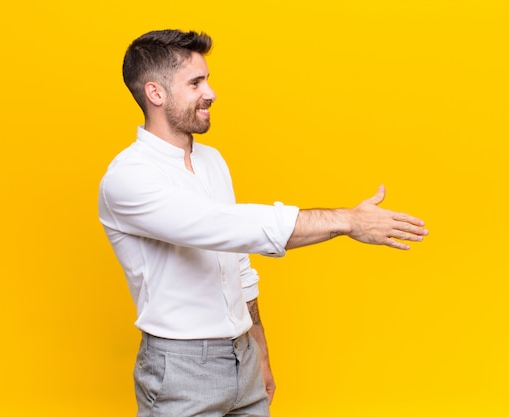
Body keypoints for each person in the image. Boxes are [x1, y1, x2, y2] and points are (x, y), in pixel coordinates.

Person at [98, 29, 428, 417]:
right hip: (180, 369)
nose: (211, 92)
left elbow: (236, 262)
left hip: (243, 358)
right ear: (156, 93)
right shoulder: (128, 178)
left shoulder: (211, 162)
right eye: (196, 83)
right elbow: (225, 226)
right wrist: (346, 221)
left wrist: (259, 347)